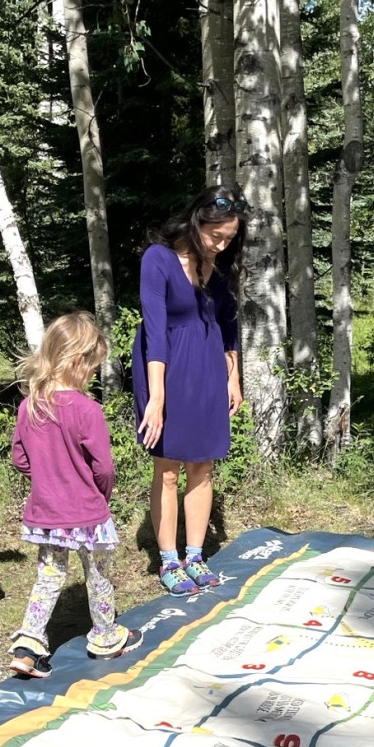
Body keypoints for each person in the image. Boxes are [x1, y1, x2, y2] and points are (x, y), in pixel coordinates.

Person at [9, 311, 142, 677]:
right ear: (77, 361)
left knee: (48, 577)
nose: (94, 373)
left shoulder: (29, 406)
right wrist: (101, 495)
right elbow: (104, 468)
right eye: (93, 366)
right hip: (87, 512)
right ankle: (104, 637)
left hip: (47, 514)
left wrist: (47, 480)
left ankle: (28, 645)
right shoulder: (88, 410)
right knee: (97, 573)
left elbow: (20, 458)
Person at [132, 186, 246, 596]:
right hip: (166, 367)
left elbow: (228, 324)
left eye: (229, 238)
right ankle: (168, 560)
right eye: (217, 235)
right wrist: (157, 398)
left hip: (207, 369)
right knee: (166, 469)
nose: (222, 244)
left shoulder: (217, 266)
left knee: (203, 464)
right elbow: (155, 332)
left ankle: (195, 555)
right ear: (197, 222)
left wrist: (232, 376)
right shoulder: (158, 259)